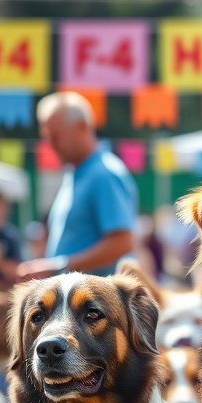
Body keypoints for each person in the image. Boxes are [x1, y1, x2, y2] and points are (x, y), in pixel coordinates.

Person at [18, 92, 137, 281]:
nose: (50, 145)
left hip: (94, 306)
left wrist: (59, 266)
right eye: (47, 137)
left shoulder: (103, 173)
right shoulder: (77, 174)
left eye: (56, 136)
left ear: (81, 127)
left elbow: (122, 242)